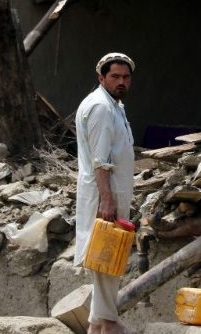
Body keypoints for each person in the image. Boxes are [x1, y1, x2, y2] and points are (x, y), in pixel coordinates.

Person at [74, 52, 135, 334]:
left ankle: (96, 325)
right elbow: (101, 160)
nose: (121, 81)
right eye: (115, 77)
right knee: (108, 259)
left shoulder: (113, 105)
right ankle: (109, 323)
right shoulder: (101, 107)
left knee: (107, 258)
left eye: (125, 77)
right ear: (102, 78)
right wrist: (107, 200)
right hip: (105, 193)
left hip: (111, 191)